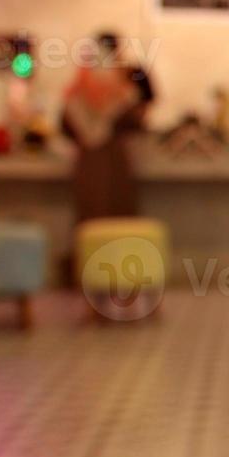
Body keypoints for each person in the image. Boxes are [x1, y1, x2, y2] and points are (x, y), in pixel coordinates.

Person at [60, 33, 156, 286]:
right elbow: (138, 121)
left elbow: (66, 127)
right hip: (115, 161)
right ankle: (123, 279)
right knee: (118, 218)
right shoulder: (123, 86)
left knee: (91, 221)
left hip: (87, 162)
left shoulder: (78, 87)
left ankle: (89, 280)